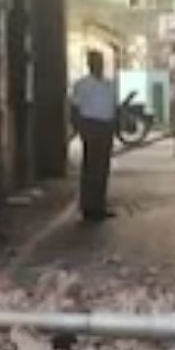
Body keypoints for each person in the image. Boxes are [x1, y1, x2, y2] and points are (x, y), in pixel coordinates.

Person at [70, 49, 117, 221]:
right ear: (89, 64)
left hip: (106, 127)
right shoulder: (82, 85)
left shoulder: (109, 84)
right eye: (94, 62)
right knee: (91, 167)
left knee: (103, 168)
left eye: (100, 61)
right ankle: (88, 207)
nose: (98, 65)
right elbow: (74, 109)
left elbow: (113, 107)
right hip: (90, 126)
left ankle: (99, 205)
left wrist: (114, 126)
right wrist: (78, 129)